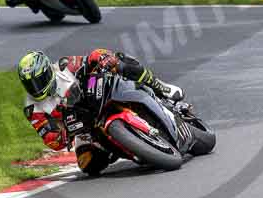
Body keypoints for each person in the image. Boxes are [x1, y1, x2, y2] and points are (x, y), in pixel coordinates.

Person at [18, 48, 184, 175]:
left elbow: (91, 57)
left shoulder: (64, 66)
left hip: (96, 95)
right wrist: (64, 134)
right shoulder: (32, 108)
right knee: (87, 165)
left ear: (48, 70)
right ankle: (128, 147)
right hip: (82, 126)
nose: (36, 87)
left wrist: (104, 58)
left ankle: (160, 87)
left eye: (39, 80)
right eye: (30, 84)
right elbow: (50, 140)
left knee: (120, 61)